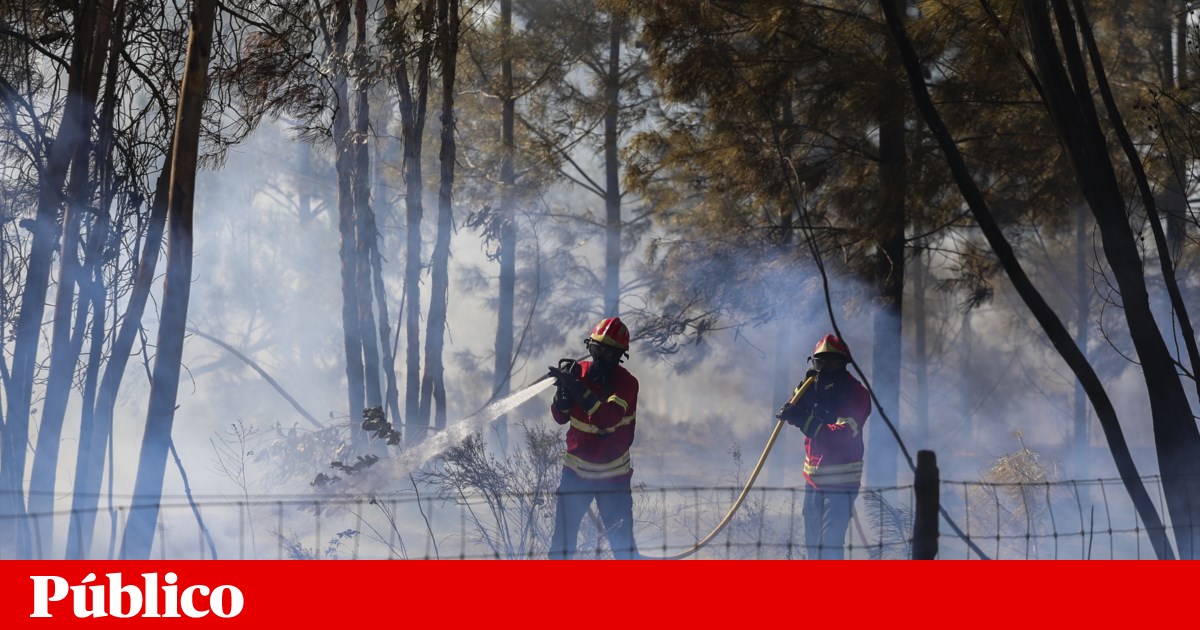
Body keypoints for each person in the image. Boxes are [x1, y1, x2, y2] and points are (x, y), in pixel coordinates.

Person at [545, 317, 640, 559]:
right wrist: (562, 395)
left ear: (620, 356)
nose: (601, 357)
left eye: (609, 353)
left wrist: (578, 388)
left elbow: (606, 417)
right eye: (597, 349)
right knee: (561, 547)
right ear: (589, 346)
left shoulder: (627, 384)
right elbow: (560, 418)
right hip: (575, 478)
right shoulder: (580, 374)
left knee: (624, 549)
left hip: (613, 481)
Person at [776, 334, 871, 560]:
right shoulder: (814, 388)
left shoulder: (857, 395)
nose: (826, 369)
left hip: (841, 487)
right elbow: (794, 410)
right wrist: (798, 399)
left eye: (832, 363)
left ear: (844, 364)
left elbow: (840, 436)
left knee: (829, 546)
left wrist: (802, 419)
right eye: (821, 363)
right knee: (813, 549)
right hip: (813, 484)